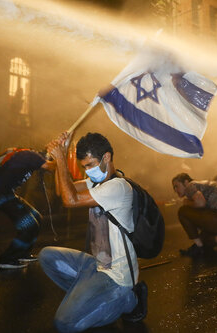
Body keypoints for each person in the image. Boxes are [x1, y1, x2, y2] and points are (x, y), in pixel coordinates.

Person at [41, 132, 145, 333]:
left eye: (90, 165)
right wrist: (59, 159)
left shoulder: (118, 187)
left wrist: (61, 159)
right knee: (47, 256)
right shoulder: (98, 182)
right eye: (84, 167)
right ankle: (87, 296)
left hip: (116, 278)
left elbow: (69, 201)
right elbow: (62, 190)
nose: (88, 171)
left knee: (65, 324)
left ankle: (129, 299)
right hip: (98, 265)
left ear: (106, 157)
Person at [0, 148, 54, 269]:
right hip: (2, 195)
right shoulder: (31, 155)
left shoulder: (28, 158)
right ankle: (7, 259)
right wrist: (60, 157)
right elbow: (49, 166)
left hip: (8, 194)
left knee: (37, 217)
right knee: (29, 225)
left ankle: (22, 253)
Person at [171, 173, 217, 257]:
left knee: (183, 211)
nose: (175, 190)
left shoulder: (190, 185)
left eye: (176, 186)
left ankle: (198, 246)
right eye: (174, 188)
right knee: (205, 239)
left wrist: (186, 202)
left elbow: (200, 203)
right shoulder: (203, 185)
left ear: (185, 182)